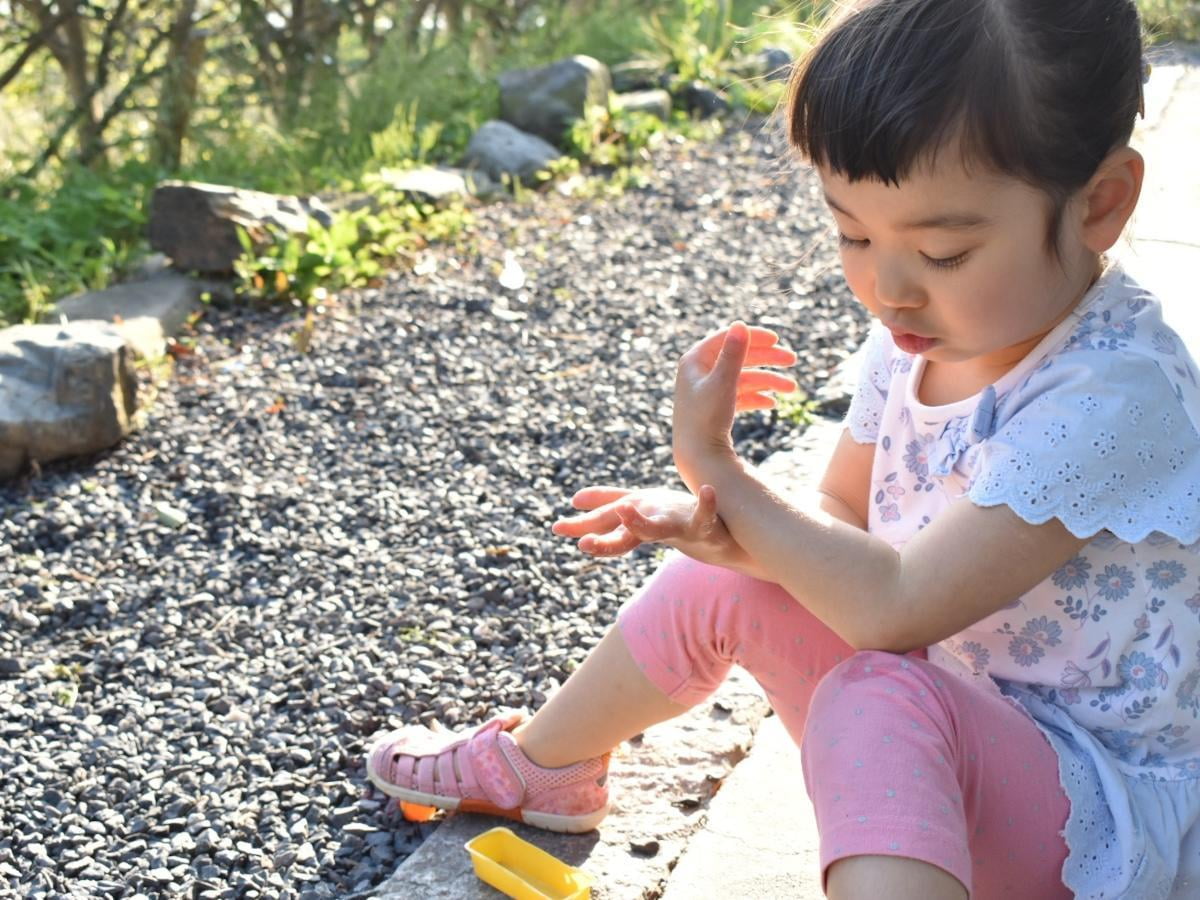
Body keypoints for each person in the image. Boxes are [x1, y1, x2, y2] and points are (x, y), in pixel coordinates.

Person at [367, 1, 1200, 896]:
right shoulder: (919, 338)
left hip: (1093, 812)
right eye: (853, 232)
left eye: (945, 251)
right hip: (958, 731)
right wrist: (731, 529)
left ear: (1101, 204)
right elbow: (842, 513)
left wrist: (723, 470)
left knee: (877, 694)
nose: (888, 287)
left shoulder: (1114, 395)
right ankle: (542, 765)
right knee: (735, 578)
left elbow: (895, 607)